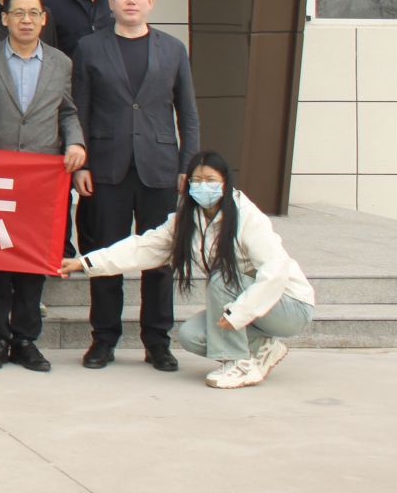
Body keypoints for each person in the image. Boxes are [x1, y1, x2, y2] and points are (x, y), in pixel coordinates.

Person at [67, 152, 313, 390]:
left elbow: (275, 271)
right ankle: (263, 347)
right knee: (192, 336)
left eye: (211, 180)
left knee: (221, 277)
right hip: (250, 306)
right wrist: (85, 263)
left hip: (289, 306)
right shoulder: (188, 219)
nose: (203, 186)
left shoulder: (248, 217)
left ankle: (237, 363)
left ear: (226, 182)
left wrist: (239, 312)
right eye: (197, 180)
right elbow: (142, 247)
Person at [72, 0, 200, 373]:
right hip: (105, 168)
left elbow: (188, 113)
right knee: (105, 255)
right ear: (109, 1)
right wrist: (80, 164)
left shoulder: (172, 49)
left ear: (151, 1)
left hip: (159, 168)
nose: (131, 0)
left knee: (159, 258)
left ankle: (157, 342)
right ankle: (103, 339)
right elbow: (79, 110)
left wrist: (187, 165)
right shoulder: (90, 47)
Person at [0, 0, 84, 373]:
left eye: (33, 13)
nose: (26, 20)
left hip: (42, 178)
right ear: (4, 19)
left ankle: (25, 339)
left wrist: (76, 142)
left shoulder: (60, 63)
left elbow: (67, 111)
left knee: (33, 261)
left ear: (43, 19)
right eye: (18, 13)